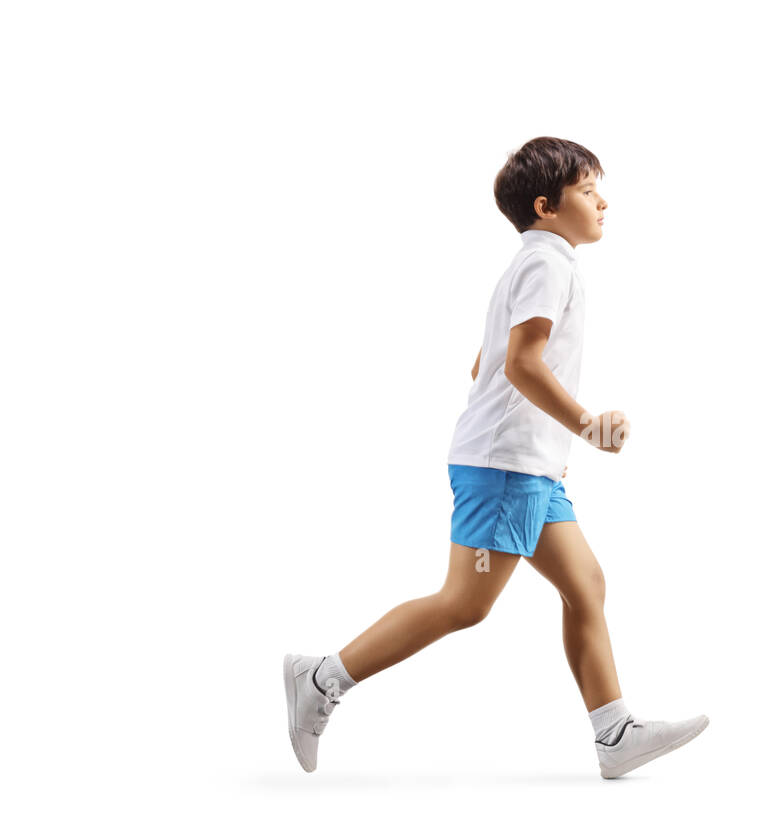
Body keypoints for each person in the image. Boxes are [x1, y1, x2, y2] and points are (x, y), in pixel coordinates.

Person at [283, 136, 708, 779]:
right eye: (588, 191)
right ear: (546, 206)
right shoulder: (548, 265)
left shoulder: (539, 262)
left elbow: (487, 362)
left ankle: (613, 731)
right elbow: (519, 363)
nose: (603, 202)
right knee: (465, 603)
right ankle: (321, 678)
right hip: (504, 468)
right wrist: (585, 427)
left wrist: (543, 442)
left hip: (525, 465)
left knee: (584, 583)